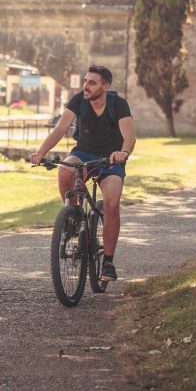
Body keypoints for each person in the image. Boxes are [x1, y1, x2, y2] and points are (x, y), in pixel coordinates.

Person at [30, 65, 136, 281]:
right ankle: (72, 217)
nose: (86, 86)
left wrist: (123, 152)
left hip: (110, 159)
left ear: (105, 86)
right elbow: (60, 129)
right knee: (65, 171)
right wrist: (41, 152)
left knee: (112, 204)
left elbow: (129, 135)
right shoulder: (79, 100)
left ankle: (107, 261)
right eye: (85, 81)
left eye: (92, 82)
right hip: (84, 153)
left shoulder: (118, 104)